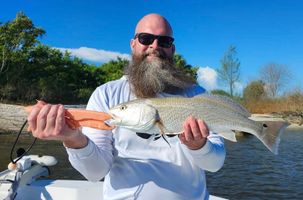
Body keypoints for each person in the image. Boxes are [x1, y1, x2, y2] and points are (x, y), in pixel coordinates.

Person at [27, 13, 226, 200]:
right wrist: (73, 139)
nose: (154, 46)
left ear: (172, 49)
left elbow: (215, 164)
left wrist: (199, 146)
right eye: (146, 38)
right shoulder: (107, 94)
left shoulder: (196, 95)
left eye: (164, 41)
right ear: (133, 44)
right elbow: (95, 172)